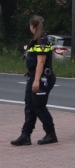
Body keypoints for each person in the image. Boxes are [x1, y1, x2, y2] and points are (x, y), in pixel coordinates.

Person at [10, 15, 58, 146]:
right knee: (30, 106)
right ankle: (25, 135)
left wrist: (37, 81)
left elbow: (41, 62)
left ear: (33, 26)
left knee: (39, 107)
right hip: (33, 76)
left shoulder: (42, 41)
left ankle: (51, 134)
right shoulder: (36, 40)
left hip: (42, 78)